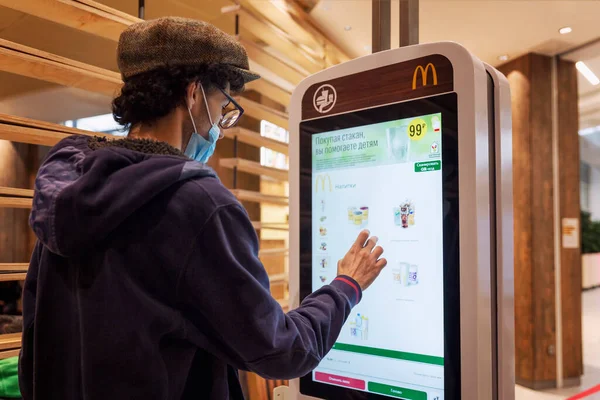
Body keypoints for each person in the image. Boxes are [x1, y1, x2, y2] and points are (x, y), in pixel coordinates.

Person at [19, 17, 386, 400]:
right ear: (194, 95)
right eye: (223, 106)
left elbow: (34, 341)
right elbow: (281, 350)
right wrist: (346, 285)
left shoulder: (66, 188)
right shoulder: (197, 205)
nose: (222, 129)